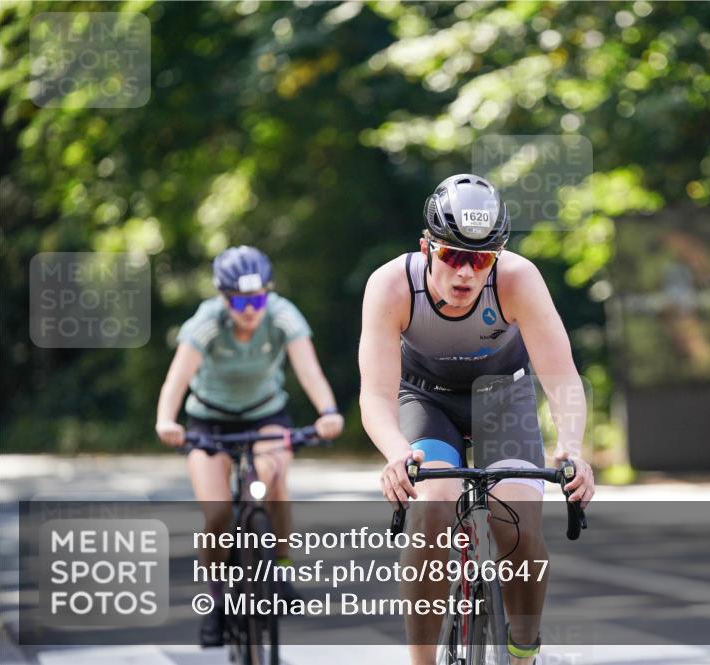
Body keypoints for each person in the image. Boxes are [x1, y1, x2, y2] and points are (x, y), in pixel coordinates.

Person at [359, 174, 595, 665]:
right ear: (427, 248)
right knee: (433, 508)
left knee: (518, 524)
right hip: (426, 401)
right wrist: (398, 455)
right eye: (452, 256)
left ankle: (523, 652)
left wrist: (572, 447)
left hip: (502, 396)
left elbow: (563, 379)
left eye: (481, 259)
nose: (465, 273)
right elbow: (376, 395)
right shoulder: (390, 286)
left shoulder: (518, 279)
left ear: (497, 256)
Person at [155, 245, 344, 647]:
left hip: (265, 414)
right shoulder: (206, 323)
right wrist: (166, 421)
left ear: (267, 294)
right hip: (209, 420)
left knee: (272, 481)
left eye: (257, 298)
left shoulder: (282, 315)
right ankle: (217, 599)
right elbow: (176, 379)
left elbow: (308, 369)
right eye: (240, 301)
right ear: (224, 298)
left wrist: (327, 411)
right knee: (219, 512)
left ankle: (280, 567)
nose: (250, 309)